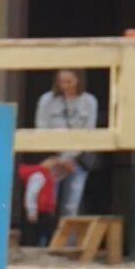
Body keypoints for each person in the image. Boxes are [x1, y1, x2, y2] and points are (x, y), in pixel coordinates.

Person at [35, 69, 97, 216]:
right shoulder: (47, 100)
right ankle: (47, 238)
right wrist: (58, 159)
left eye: (69, 82)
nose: (65, 86)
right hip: (53, 158)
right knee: (47, 204)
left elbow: (90, 131)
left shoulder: (89, 101)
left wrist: (71, 159)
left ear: (78, 81)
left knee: (71, 207)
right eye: (62, 82)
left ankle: (70, 240)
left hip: (77, 160)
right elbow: (41, 128)